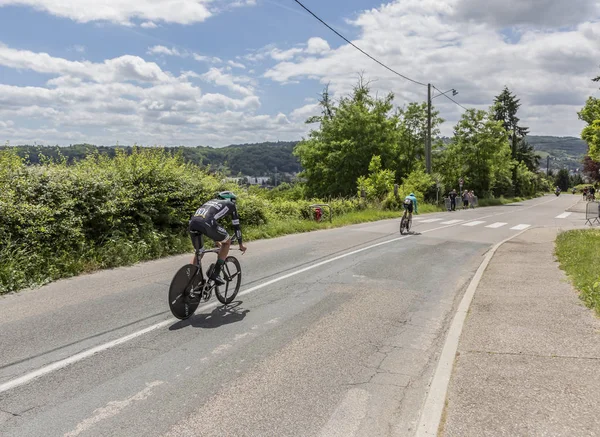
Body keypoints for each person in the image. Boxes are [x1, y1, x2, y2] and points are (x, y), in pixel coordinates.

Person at [188, 191, 247, 285]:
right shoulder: (231, 204)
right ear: (231, 199)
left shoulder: (211, 202)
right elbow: (236, 226)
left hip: (192, 222)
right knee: (227, 242)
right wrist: (241, 244)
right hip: (206, 222)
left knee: (199, 251)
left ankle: (189, 277)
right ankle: (215, 273)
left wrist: (217, 241)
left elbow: (209, 222)